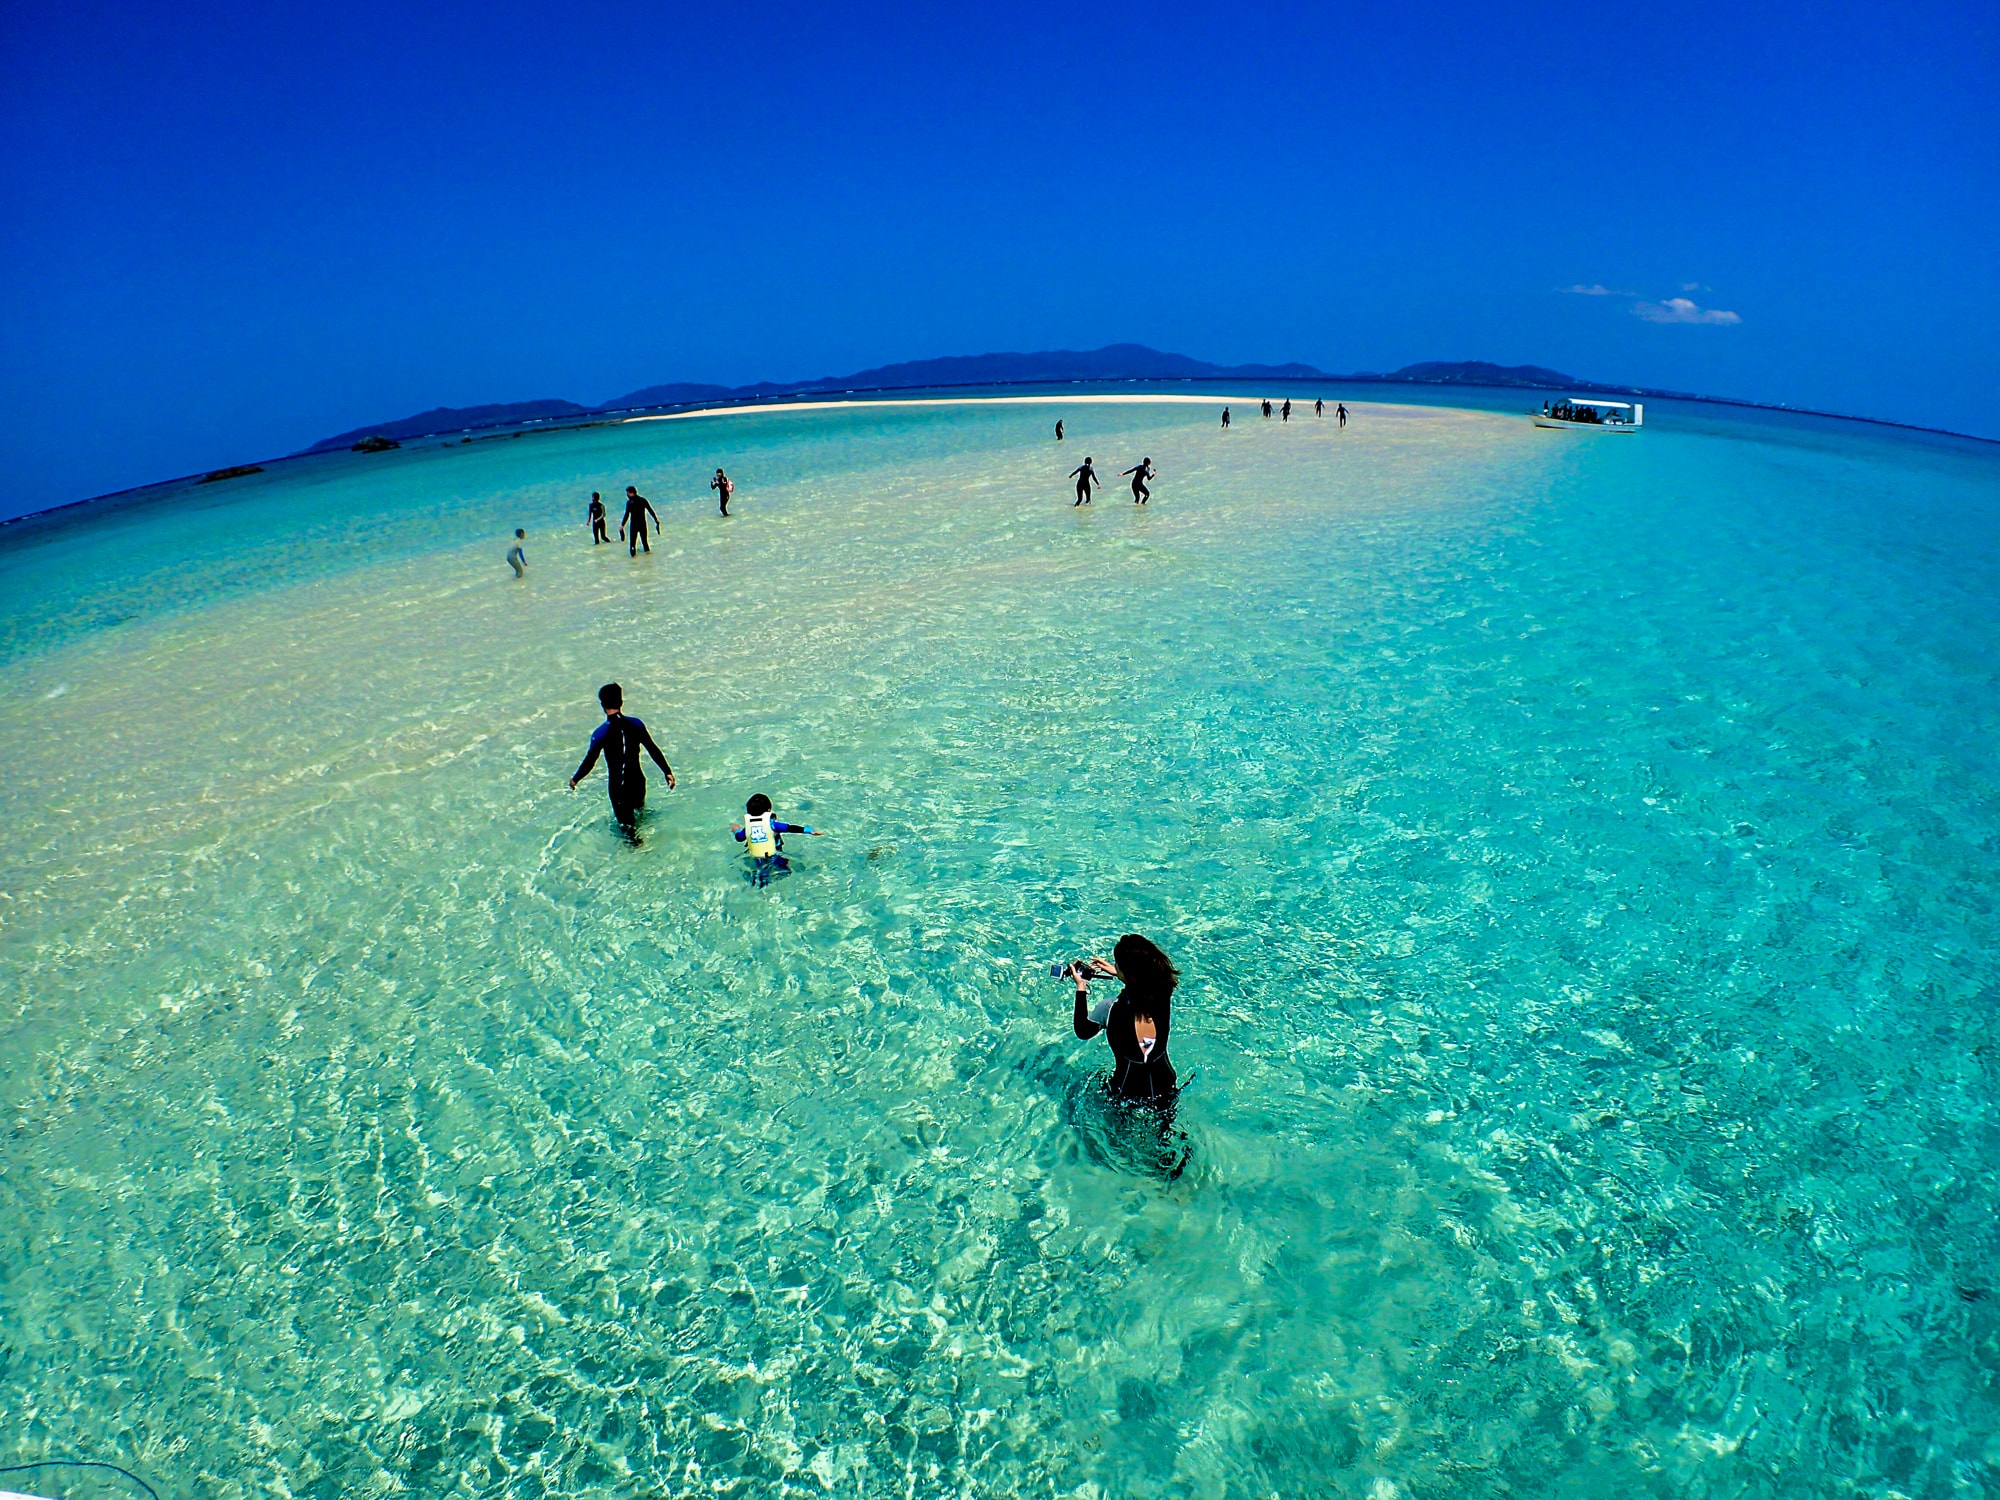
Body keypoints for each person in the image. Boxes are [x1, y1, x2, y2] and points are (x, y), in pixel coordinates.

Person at [1069, 934, 1180, 1104]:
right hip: (1165, 1085)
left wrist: (1081, 986)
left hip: (1127, 1091)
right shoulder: (1163, 992)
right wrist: (1121, 974)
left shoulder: (1109, 1008)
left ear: (1127, 972)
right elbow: (1144, 983)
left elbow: (1082, 1031)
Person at [568, 682, 675, 836]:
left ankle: (640, 855)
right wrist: (667, 771)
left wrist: (575, 779)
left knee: (630, 834)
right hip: (638, 782)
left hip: (619, 788)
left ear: (602, 705)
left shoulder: (601, 733)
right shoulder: (636, 724)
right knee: (641, 818)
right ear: (621, 702)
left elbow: (590, 762)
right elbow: (652, 749)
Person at [733, 792, 823, 884]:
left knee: (761, 873)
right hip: (775, 854)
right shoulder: (772, 825)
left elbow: (739, 838)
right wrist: (809, 830)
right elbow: (790, 828)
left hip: (757, 856)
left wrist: (736, 830)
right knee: (785, 870)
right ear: (769, 810)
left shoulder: (748, 827)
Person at [621, 486, 659, 555]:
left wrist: (622, 525)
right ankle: (649, 559)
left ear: (631, 493)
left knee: (632, 543)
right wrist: (656, 519)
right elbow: (650, 510)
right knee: (645, 542)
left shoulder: (629, 503)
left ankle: (633, 560)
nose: (627, 495)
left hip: (634, 525)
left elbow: (626, 515)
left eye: (627, 493)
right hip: (642, 524)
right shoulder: (643, 500)